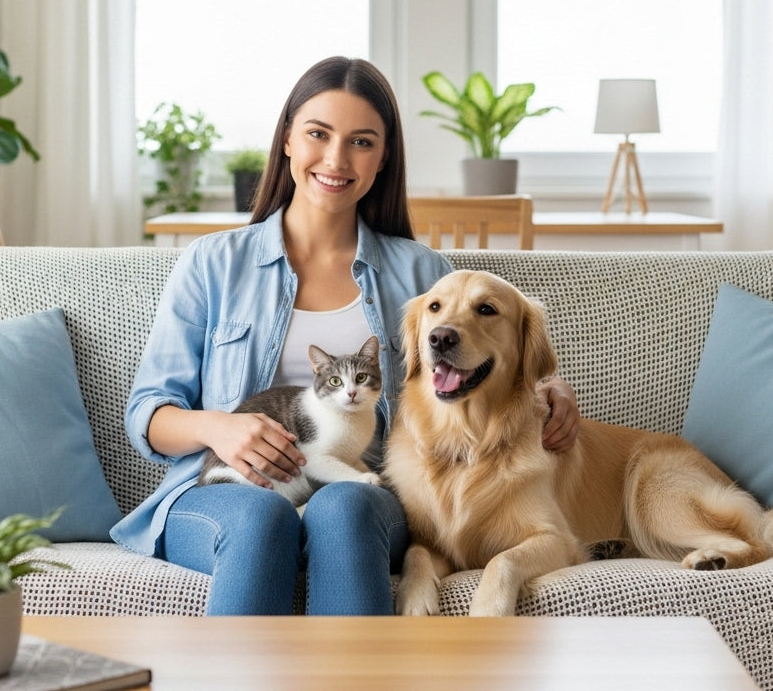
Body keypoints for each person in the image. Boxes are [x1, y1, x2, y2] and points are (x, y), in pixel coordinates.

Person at [110, 56, 580, 615]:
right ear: (287, 139)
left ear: (383, 159)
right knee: (265, 518)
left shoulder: (418, 273)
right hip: (225, 492)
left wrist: (549, 391)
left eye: (361, 141)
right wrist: (221, 428)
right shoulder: (211, 264)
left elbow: (485, 352)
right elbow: (148, 412)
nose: (336, 158)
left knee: (345, 506)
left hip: (364, 494)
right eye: (317, 133)